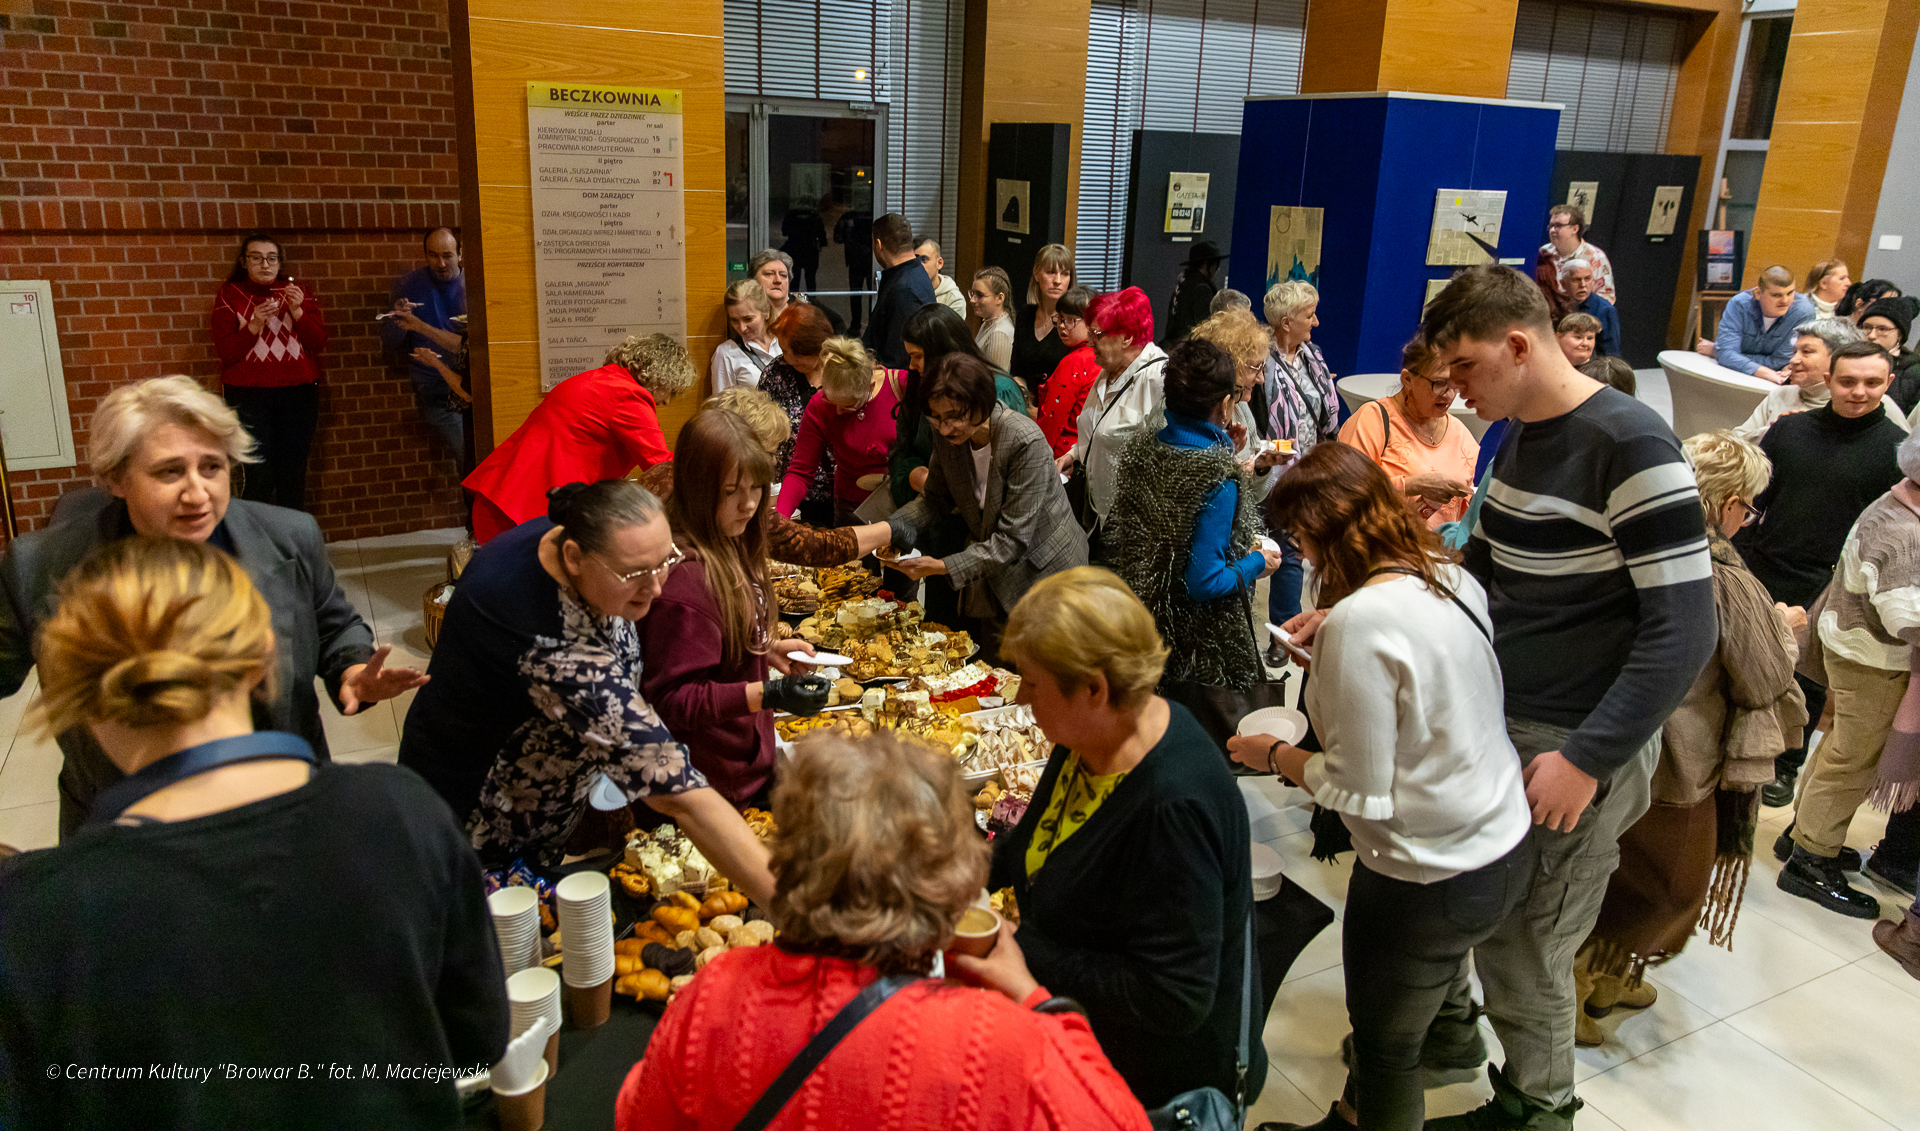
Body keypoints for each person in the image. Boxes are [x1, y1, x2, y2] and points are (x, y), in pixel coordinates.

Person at [1305, 264, 1714, 1131]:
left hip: (1576, 740)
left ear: (1519, 345)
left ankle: (1538, 1107)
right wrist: (1362, 608)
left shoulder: (1633, 444)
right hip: (1507, 723)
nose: (1454, 391)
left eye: (1465, 368)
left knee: (1528, 941)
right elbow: (1481, 570)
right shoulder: (1518, 432)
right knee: (1467, 894)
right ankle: (1447, 1035)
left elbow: (1685, 629)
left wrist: (1587, 760)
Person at [0, 537, 508, 1131]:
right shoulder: (402, 812)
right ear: (264, 654)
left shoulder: (35, 914)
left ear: (79, 696)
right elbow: (476, 1041)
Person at [613, 730, 1153, 1131]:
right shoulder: (1004, 1043)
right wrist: (1036, 1000)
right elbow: (1121, 1120)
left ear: (788, 858)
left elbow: (638, 1116)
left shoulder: (716, 993)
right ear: (950, 882)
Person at [1234, 444, 1534, 1131]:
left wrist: (1272, 753)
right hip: (1500, 842)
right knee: (1404, 1019)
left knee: (1387, 1050)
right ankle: (1355, 1112)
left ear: (1332, 532)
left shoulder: (1361, 623)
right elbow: (1423, 688)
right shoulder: (1447, 575)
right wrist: (1337, 638)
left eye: (1303, 538)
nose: (1302, 554)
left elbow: (1356, 789)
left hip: (1425, 872)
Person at [0, 376, 421, 837]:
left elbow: (333, 624)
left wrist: (352, 669)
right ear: (116, 478)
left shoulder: (289, 536)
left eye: (212, 467)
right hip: (127, 831)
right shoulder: (40, 566)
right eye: (169, 472)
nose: (198, 493)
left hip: (282, 807)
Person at [398, 480, 778, 900]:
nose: (656, 587)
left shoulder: (577, 534)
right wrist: (791, 910)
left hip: (536, 804)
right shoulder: (550, 645)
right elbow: (678, 795)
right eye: (634, 573)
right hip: (474, 825)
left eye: (665, 561)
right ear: (574, 558)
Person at [986, 567, 1267, 1109]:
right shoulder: (1095, 733)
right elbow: (1033, 844)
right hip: (1089, 1044)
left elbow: (1174, 998)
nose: (1021, 697)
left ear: (1094, 688)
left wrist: (1016, 947)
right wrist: (951, 870)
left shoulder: (1172, 806)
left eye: (1033, 683)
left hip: (1148, 1084)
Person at [1571, 431, 1804, 1042]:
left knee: (1620, 869)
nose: (1748, 519)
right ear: (1725, 503)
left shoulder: (1630, 539)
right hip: (1678, 754)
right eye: (1748, 505)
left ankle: (1608, 978)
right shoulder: (1721, 574)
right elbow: (1764, 675)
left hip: (1611, 732)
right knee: (1667, 883)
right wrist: (1784, 628)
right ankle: (1575, 986)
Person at [641, 410, 832, 810]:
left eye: (757, 488)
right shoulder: (684, 582)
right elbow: (673, 700)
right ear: (697, 488)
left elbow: (715, 642)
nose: (748, 504)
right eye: (730, 491)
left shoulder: (727, 537)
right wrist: (768, 692)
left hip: (743, 767)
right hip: (711, 786)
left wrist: (760, 650)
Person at [1745, 342, 1906, 813]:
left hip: (1833, 582)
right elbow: (1756, 499)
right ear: (1829, 380)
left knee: (1808, 680)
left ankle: (1786, 764)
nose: (1859, 392)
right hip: (1765, 564)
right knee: (1745, 661)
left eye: (1872, 383)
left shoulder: (1897, 450)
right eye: (1848, 381)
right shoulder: (1790, 430)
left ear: (1888, 384)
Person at [1777, 424, 1920, 919]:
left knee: (1841, 746)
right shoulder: (1907, 532)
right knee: (1853, 759)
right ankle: (1810, 862)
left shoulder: (1897, 499)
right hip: (1872, 657)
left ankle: (1803, 835)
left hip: (1853, 645)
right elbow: (1907, 617)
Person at [1105, 338, 1281, 718]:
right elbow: (1204, 582)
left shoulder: (1141, 452)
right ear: (1225, 404)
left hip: (1139, 627)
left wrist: (1223, 448)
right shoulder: (1217, 479)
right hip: (1195, 648)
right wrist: (1257, 562)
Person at [885, 354, 1088, 654]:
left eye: (952, 417)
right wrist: (886, 530)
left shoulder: (1023, 440)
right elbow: (934, 500)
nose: (944, 428)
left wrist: (942, 567)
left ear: (980, 406)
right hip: (994, 574)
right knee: (995, 668)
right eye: (936, 418)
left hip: (1046, 575)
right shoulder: (946, 436)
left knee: (1039, 668)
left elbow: (1012, 540)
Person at [464, 334, 694, 543]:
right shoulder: (628, 395)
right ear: (662, 376)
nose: (667, 401)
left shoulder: (599, 380)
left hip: (502, 498)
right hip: (526, 512)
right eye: (671, 391)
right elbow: (662, 467)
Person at [887, 304, 1029, 624]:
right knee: (943, 628)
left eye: (918, 356)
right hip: (943, 533)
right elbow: (904, 453)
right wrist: (912, 475)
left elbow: (1009, 526)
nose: (912, 365)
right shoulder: (929, 394)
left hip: (999, 548)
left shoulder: (1009, 413)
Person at [647, 390, 890, 568]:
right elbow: (820, 547)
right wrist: (893, 528)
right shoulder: (724, 502)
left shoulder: (661, 472)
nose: (774, 462)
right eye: (771, 452)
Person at [209, 232, 328, 510]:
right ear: (244, 262)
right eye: (257, 258)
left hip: (298, 392)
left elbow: (318, 342)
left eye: (272, 258)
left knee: (293, 472)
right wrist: (254, 325)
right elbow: (227, 351)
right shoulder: (230, 294)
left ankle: (292, 533)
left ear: (279, 263)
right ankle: (255, 534)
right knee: (258, 473)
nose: (265, 264)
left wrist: (297, 311)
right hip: (249, 395)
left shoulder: (297, 292)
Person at [1262, 279, 1341, 649]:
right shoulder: (1261, 360)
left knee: (1291, 550)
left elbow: (1325, 409)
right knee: (1264, 550)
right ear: (1286, 322)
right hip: (1269, 472)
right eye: (1309, 315)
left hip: (1306, 472)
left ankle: (1284, 636)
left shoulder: (1313, 356)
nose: (1317, 322)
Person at [1336, 333, 1480, 528]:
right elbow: (1344, 490)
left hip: (1436, 546)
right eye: (1439, 384)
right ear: (1408, 379)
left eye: (1455, 384)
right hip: (1379, 544)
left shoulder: (1461, 435)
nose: (1449, 395)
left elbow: (1462, 516)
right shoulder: (1373, 419)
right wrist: (1413, 485)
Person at [1059, 287, 1168, 544]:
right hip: (1096, 518)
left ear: (1126, 337)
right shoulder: (1108, 371)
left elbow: (1166, 459)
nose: (1089, 342)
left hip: (1133, 529)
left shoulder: (1160, 379)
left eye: (1097, 335)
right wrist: (1075, 454)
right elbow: (1099, 428)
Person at [775, 336, 905, 527]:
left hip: (902, 503)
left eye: (848, 406)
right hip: (850, 507)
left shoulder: (900, 385)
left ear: (869, 387)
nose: (837, 412)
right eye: (831, 400)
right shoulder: (819, 405)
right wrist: (779, 519)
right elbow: (800, 471)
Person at [379, 226, 469, 468]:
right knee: (469, 456)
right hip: (434, 384)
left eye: (447, 255)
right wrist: (398, 321)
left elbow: (470, 345)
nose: (441, 263)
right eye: (433, 255)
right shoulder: (411, 285)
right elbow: (389, 342)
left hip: (471, 381)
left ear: (460, 254)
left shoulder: (475, 283)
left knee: (482, 454)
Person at [1729, 317, 1893, 440]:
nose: (1793, 360)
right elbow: (1735, 443)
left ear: (1839, 357)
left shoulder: (1874, 403)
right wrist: (1776, 430)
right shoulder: (1782, 394)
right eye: (1795, 352)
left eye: (1806, 352)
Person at [1189, 307, 1290, 508]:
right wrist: (1233, 474)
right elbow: (1183, 491)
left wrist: (1261, 466)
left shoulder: (1241, 410)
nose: (1261, 379)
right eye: (1255, 368)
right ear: (1229, 365)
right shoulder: (1186, 412)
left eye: (1263, 368)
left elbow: (1253, 497)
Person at [761, 303, 839, 527]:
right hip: (793, 495)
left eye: (793, 352)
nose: (788, 358)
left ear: (815, 348)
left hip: (842, 495)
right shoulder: (777, 373)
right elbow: (760, 427)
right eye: (784, 350)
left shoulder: (842, 371)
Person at [1702, 266, 1817, 381]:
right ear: (1757, 293)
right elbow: (1726, 353)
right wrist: (1765, 373)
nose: (1785, 301)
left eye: (1790, 293)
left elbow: (1780, 361)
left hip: (1770, 381)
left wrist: (1717, 352)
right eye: (1776, 295)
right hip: (1733, 376)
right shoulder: (1739, 304)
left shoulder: (1804, 312)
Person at [862, 211, 936, 370]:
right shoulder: (913, 272)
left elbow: (897, 360)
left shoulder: (904, 290)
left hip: (892, 380)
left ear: (878, 245)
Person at [1034, 284, 1099, 458]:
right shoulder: (1098, 355)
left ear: (1091, 322)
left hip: (1062, 455)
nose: (1062, 326)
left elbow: (1052, 420)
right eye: (1061, 318)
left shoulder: (1074, 361)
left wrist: (1038, 458)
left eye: (1071, 320)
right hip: (1085, 450)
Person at [1010, 243, 1076, 399]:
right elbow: (1016, 370)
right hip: (1024, 402)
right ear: (1036, 273)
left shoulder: (1075, 323)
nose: (1057, 281)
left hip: (1058, 405)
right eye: (1051, 272)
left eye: (1065, 274)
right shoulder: (1025, 315)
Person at [710, 277, 781, 392]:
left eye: (748, 319)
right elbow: (722, 401)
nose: (742, 328)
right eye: (734, 320)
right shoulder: (726, 353)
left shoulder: (785, 342)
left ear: (766, 312)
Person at [1538, 204, 1615, 304]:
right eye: (1551, 226)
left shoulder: (1595, 256)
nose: (1552, 230)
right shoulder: (1544, 252)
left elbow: (1607, 297)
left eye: (1558, 226)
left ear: (1574, 229)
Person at [1858, 296, 1920, 410]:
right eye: (1867, 327)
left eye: (1882, 329)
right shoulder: (1847, 360)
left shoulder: (1914, 370)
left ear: (1899, 335)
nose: (1871, 335)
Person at [1163, 241, 1226, 346]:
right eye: (1216, 265)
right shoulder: (1202, 289)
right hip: (1189, 350)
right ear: (1207, 264)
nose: (1216, 270)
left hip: (1172, 348)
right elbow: (1205, 331)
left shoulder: (1182, 283)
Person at [1561, 262, 1621, 357]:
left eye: (1587, 279)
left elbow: (1611, 356)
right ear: (1563, 284)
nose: (1583, 285)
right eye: (1576, 280)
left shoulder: (1605, 310)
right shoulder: (1555, 307)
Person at [971, 265, 1017, 369]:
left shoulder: (999, 334)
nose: (972, 300)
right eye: (972, 293)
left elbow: (996, 377)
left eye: (980, 295)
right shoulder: (988, 323)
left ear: (1000, 298)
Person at [779, 199, 829, 294]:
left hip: (794, 249)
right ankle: (811, 300)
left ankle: (794, 300)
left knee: (794, 280)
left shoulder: (791, 215)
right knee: (811, 281)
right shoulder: (815, 217)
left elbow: (784, 231)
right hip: (811, 250)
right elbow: (822, 237)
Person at [915, 234, 967, 316]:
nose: (919, 266)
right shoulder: (905, 291)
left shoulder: (954, 299)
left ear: (939, 263)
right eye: (915, 261)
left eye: (924, 259)